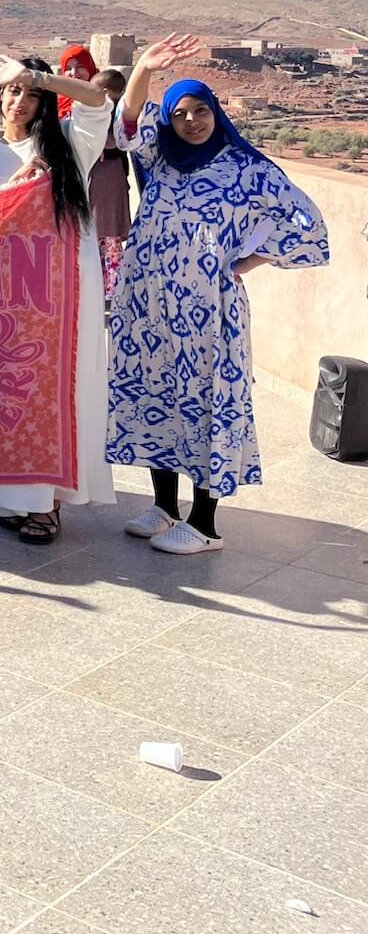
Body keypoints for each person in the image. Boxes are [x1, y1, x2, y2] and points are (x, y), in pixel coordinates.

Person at [107, 34, 330, 554]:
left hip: (209, 313)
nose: (191, 121)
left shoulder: (244, 168)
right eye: (180, 113)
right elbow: (125, 124)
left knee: (207, 404)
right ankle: (165, 507)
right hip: (149, 307)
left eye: (200, 111)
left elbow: (305, 223)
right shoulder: (158, 158)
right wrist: (143, 66)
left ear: (216, 113)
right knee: (157, 397)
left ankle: (205, 523)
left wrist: (248, 262)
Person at [0, 54, 119, 545]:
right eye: (11, 91)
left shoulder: (71, 143)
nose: (19, 101)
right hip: (13, 289)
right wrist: (9, 194)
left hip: (68, 286)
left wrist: (36, 75)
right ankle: (19, 497)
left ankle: (48, 503)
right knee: (17, 390)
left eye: (29, 93)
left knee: (59, 387)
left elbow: (100, 100)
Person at [87, 67, 134, 296]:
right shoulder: (107, 112)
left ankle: (111, 290)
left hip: (107, 179)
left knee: (108, 236)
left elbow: (113, 143)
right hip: (104, 177)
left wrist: (96, 145)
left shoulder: (112, 115)